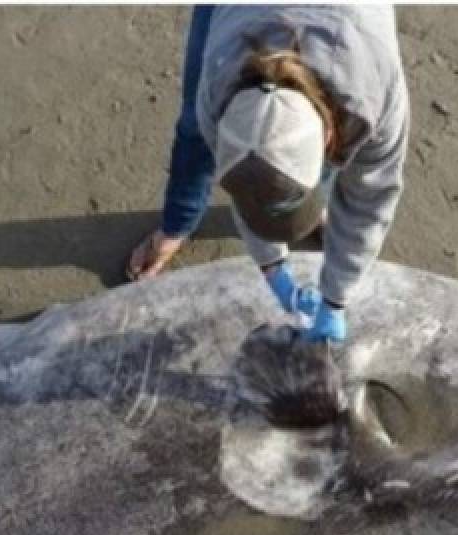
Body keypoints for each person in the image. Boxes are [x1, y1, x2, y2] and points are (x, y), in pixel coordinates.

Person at [127, 5, 408, 344]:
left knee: (314, 169)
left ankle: (307, 202)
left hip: (350, 22)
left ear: (329, 135)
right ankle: (178, 224)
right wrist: (273, 269)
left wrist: (336, 299)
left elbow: (369, 204)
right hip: (237, 15)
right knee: (193, 130)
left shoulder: (373, 95)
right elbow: (249, 186)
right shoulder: (216, 88)